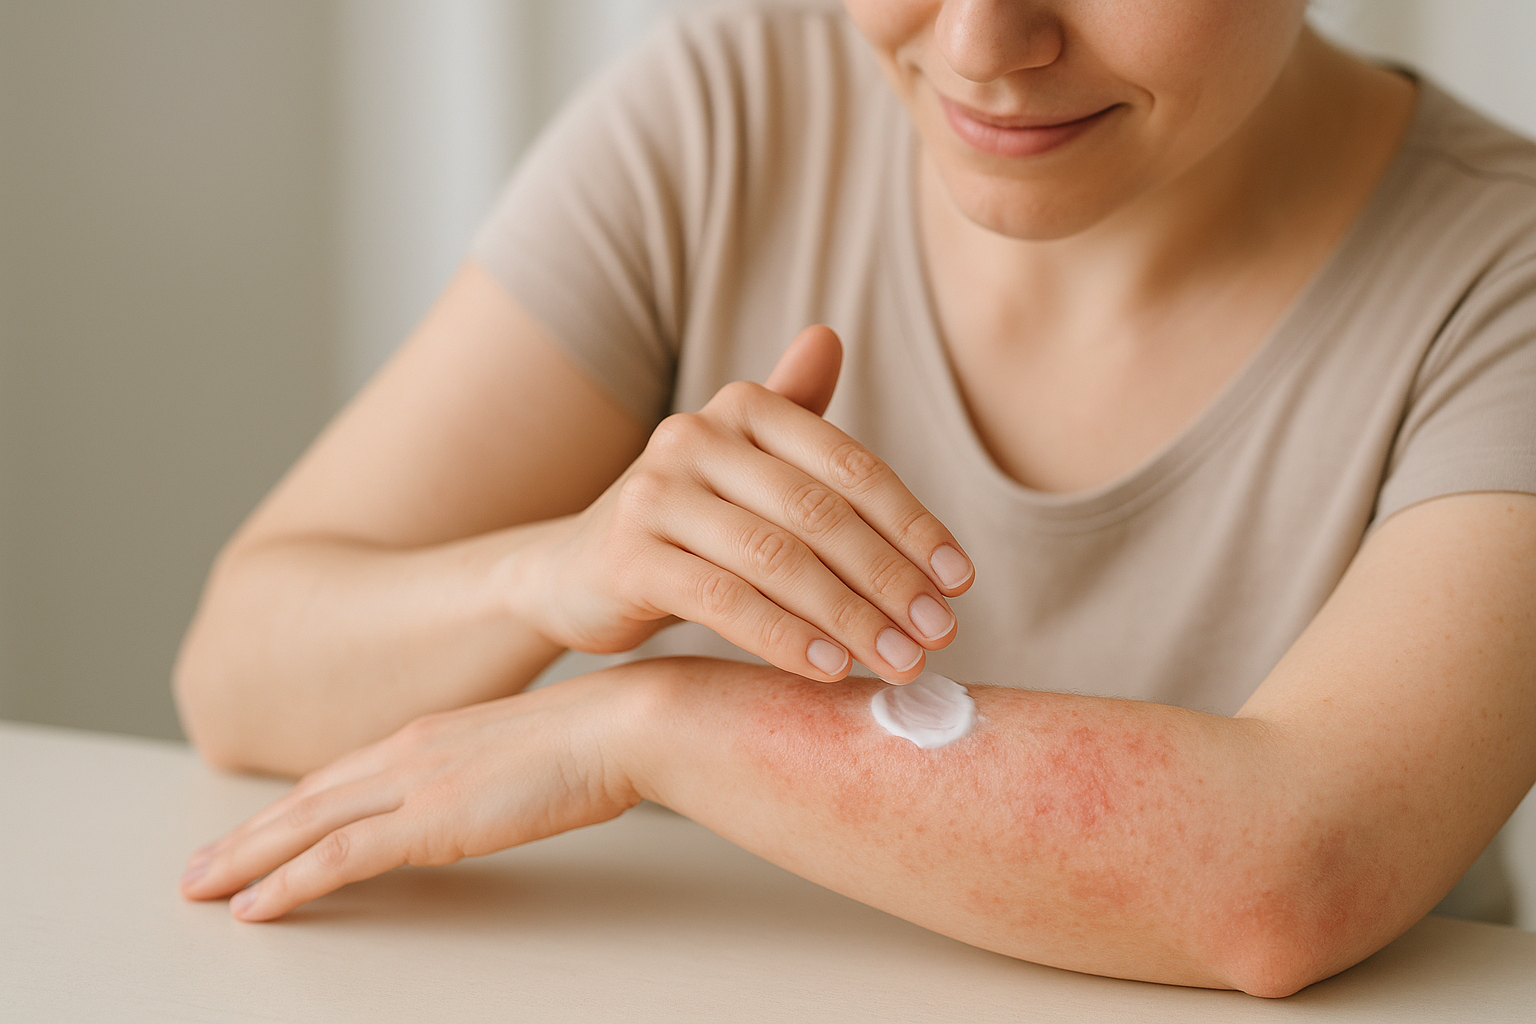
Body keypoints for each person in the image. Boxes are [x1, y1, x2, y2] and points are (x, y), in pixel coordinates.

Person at [173, 0, 1536, 997]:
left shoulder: (1503, 279)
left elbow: (1289, 877)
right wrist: (560, 574)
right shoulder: (730, 110)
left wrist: (653, 723)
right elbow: (241, 672)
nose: (981, 47)